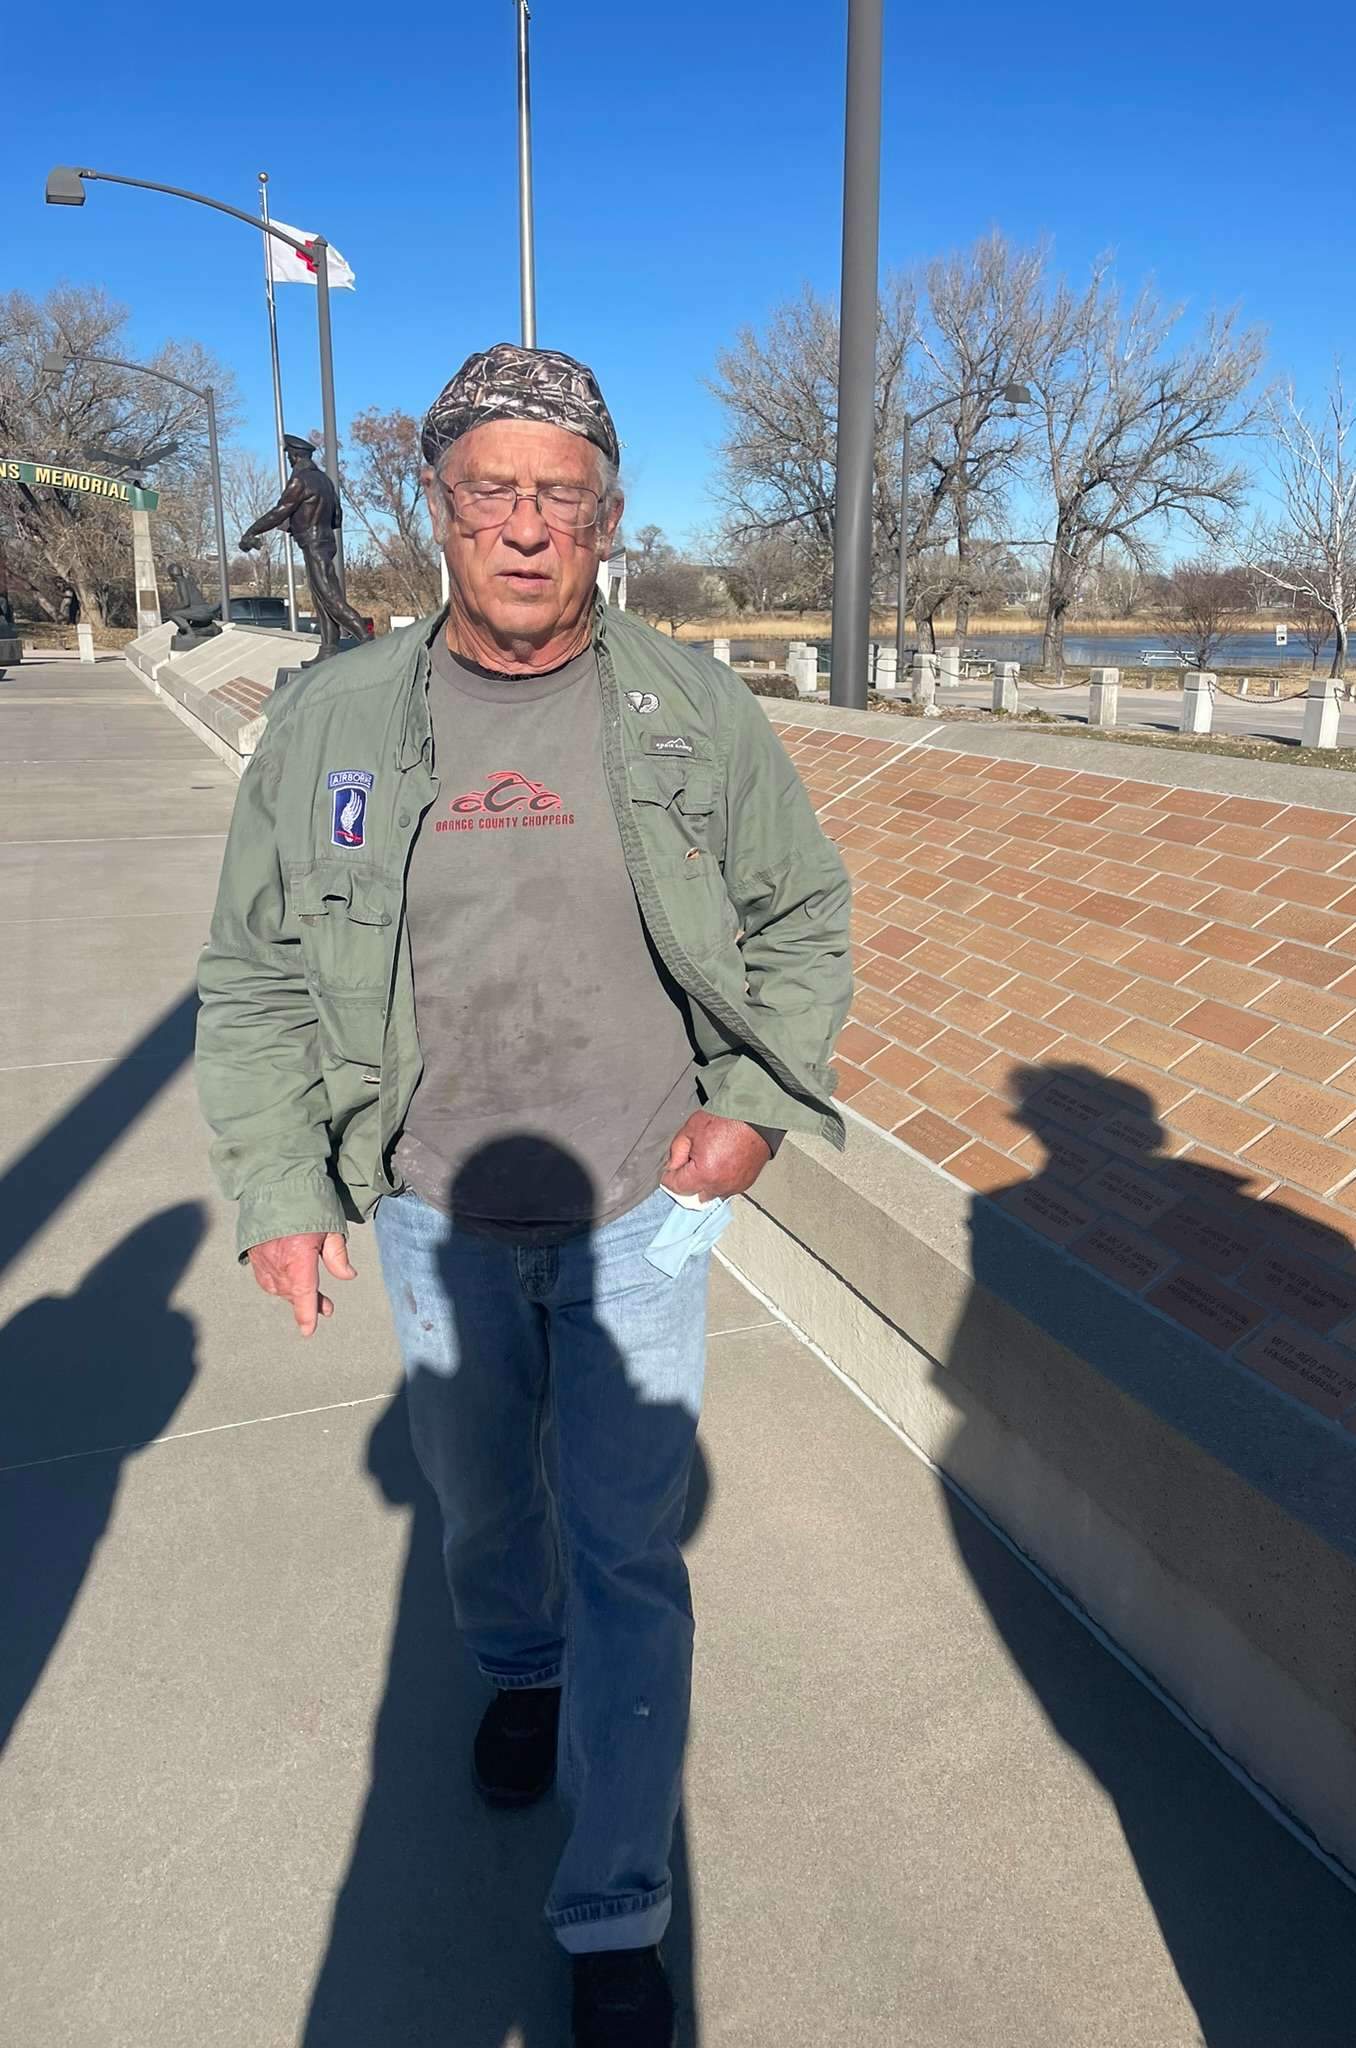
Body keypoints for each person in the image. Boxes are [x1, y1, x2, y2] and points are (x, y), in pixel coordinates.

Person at [196, 344, 852, 2047]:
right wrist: (283, 1183)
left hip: (643, 1201)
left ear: (607, 517)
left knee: (630, 1547)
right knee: (485, 1507)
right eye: (493, 490)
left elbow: (800, 917)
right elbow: (259, 970)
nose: (527, 526)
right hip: (426, 1207)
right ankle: (514, 1669)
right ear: (437, 507)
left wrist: (757, 1115)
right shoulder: (330, 721)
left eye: (561, 495)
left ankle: (615, 1902)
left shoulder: (692, 707)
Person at [237, 434, 372, 658]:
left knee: (328, 594)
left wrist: (252, 531)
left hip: (313, 541)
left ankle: (366, 637)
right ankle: (328, 647)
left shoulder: (300, 480)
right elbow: (338, 516)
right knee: (320, 597)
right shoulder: (324, 480)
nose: (289, 460)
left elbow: (280, 511)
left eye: (290, 455)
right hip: (326, 540)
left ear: (296, 455)